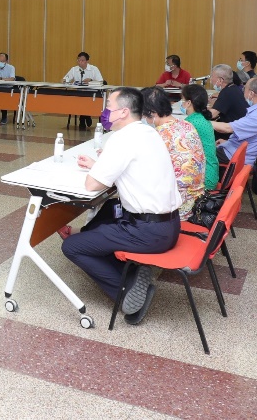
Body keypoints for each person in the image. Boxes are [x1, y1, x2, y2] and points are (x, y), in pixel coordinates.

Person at [61, 87, 181, 326]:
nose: (105, 112)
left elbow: (92, 184)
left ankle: (125, 292)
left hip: (147, 232)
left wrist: (97, 167)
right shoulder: (149, 132)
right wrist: (100, 165)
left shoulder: (122, 138)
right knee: (109, 209)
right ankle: (131, 270)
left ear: (124, 112)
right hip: (170, 225)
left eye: (109, 107)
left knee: (72, 247)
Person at [140, 86, 205, 220]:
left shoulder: (159, 135)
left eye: (143, 114)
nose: (142, 118)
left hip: (178, 207)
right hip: (197, 199)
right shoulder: (187, 125)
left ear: (152, 112)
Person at [211, 75, 257, 166]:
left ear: (251, 94)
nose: (243, 91)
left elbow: (227, 128)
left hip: (239, 156)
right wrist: (228, 143)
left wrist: (202, 122)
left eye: (244, 89)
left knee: (199, 153)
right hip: (245, 150)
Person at [180, 84, 219, 191]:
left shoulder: (190, 123)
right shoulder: (202, 118)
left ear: (189, 103)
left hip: (203, 179)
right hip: (210, 173)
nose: (181, 103)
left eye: (182, 100)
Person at [63, 52, 103, 130]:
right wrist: (65, 80)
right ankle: (86, 116)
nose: (80, 62)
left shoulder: (94, 69)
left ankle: (83, 117)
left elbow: (101, 81)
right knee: (80, 98)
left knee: (85, 99)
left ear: (87, 61)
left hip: (92, 93)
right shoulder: (74, 69)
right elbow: (65, 79)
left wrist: (91, 81)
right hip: (79, 93)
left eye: (82, 60)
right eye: (78, 60)